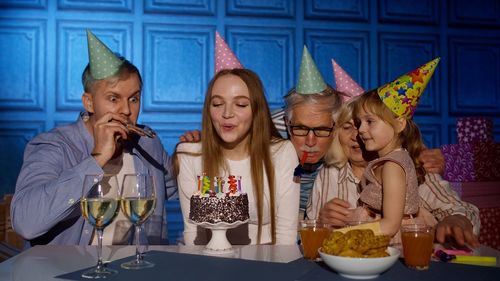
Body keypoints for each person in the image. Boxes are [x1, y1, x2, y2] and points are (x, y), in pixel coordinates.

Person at [11, 30, 177, 246]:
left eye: (134, 99)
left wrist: (187, 154)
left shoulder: (148, 143)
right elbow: (26, 223)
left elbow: (177, 192)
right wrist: (97, 158)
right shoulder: (54, 146)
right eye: (113, 98)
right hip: (66, 271)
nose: (126, 110)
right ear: (89, 103)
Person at [309, 59, 480, 246]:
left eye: (367, 124)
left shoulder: (411, 167)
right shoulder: (330, 174)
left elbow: (462, 209)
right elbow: (313, 235)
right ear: (336, 134)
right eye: (348, 127)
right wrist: (322, 220)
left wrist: (457, 220)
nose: (358, 134)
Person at [175, 68, 299, 245]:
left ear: (256, 110)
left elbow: (286, 235)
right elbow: (194, 234)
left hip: (268, 264)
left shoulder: (282, 153)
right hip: (211, 262)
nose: (227, 114)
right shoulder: (188, 155)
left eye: (240, 104)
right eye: (217, 104)